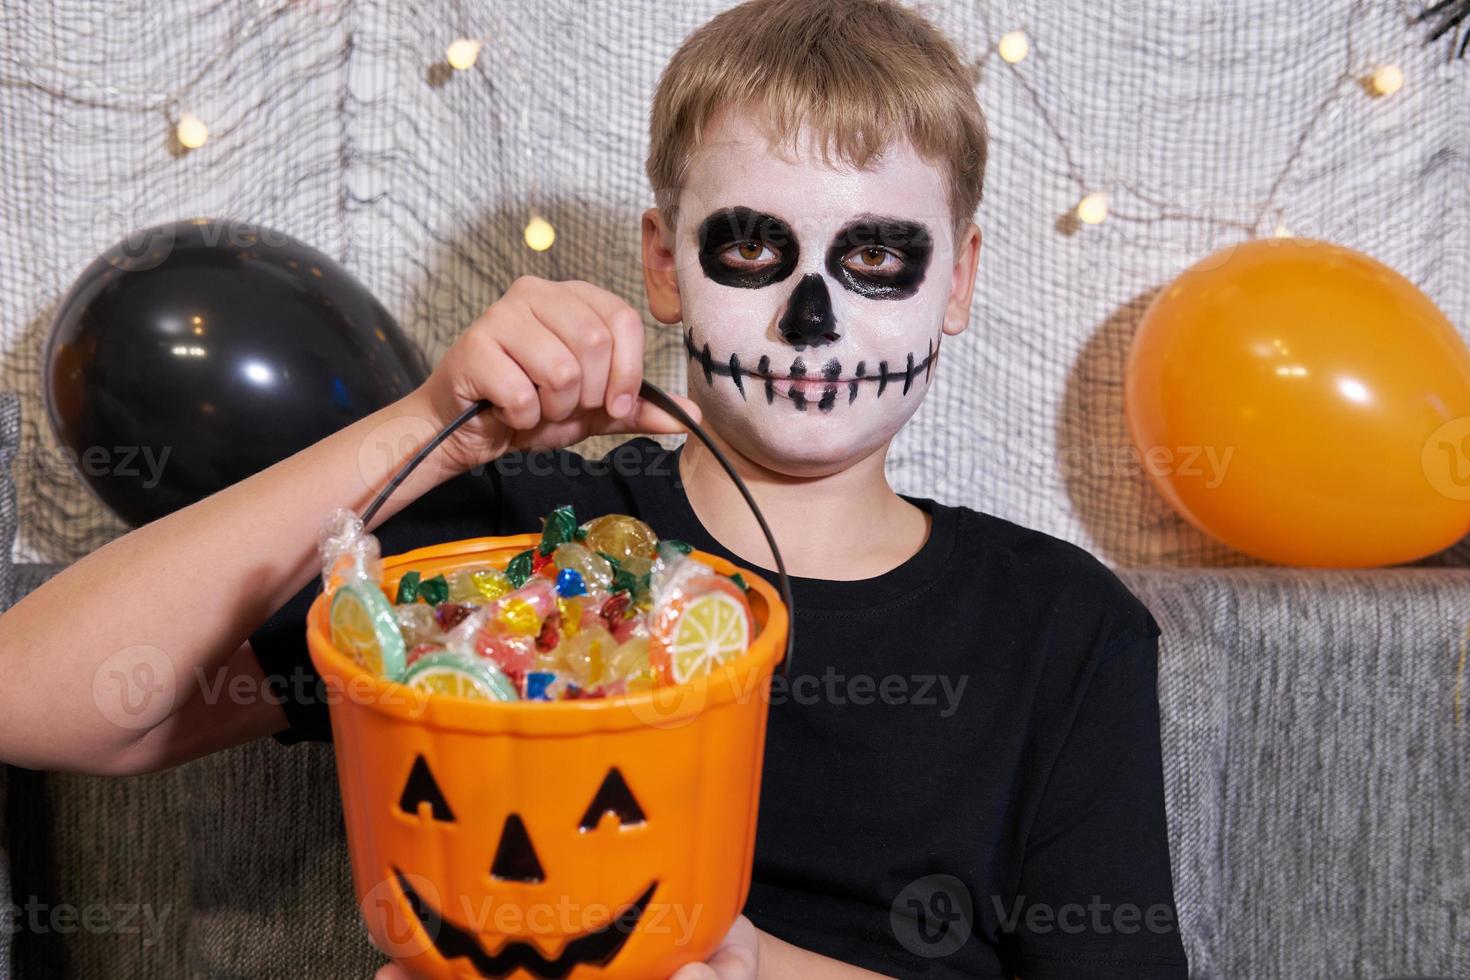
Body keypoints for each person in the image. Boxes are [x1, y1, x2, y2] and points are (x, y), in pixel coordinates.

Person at [1, 1, 1190, 977]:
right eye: (751, 249)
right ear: (665, 267)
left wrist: (742, 966)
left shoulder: (1058, 629)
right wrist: (430, 428)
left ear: (961, 278)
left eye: (876, 256)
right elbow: (34, 697)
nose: (812, 320)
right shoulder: (519, 546)